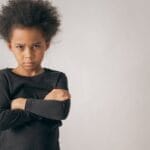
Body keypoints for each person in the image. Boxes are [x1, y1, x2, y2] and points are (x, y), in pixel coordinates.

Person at [0, 0, 71, 150]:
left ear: (47, 44)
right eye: (20, 47)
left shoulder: (57, 78)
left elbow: (60, 111)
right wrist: (42, 104)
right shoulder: (4, 78)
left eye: (36, 46)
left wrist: (21, 104)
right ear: (10, 46)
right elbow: (2, 120)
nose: (28, 55)